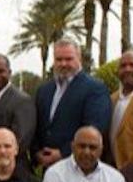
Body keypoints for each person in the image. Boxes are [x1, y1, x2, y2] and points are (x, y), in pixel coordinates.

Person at [33, 39, 111, 171]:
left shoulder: (95, 89)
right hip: (48, 168)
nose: (63, 63)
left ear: (78, 58)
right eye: (59, 59)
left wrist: (62, 153)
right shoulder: (44, 90)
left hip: (79, 166)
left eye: (69, 59)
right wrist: (37, 152)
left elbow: (95, 127)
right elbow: (37, 125)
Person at [0, 54, 36, 168]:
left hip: (10, 170)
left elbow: (20, 141)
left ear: (9, 73)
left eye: (0, 71)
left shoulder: (22, 101)